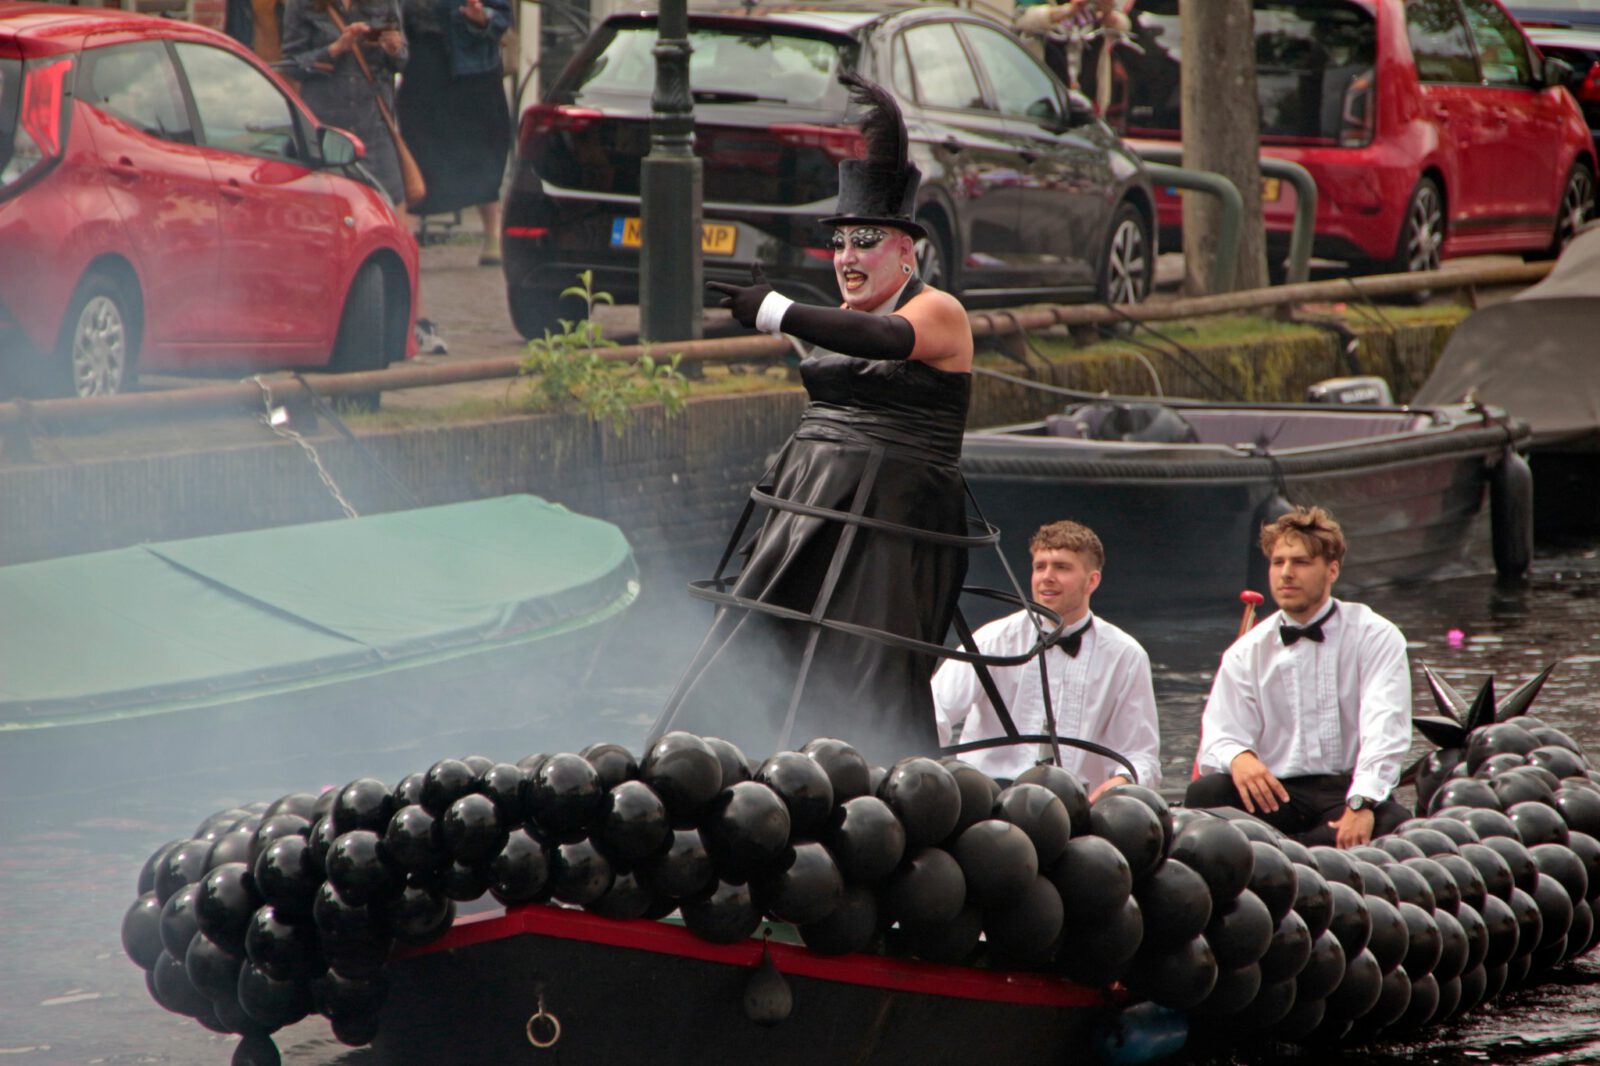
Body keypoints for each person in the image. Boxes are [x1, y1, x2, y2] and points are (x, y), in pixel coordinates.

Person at [645, 73, 975, 766]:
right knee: (754, 645)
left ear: (907, 250)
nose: (848, 259)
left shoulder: (937, 310)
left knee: (863, 672)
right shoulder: (845, 317)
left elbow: (887, 344)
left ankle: (880, 789)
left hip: (891, 518)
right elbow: (850, 337)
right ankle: (712, 771)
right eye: (840, 245)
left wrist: (775, 310)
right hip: (807, 504)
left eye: (865, 242)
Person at [1187, 506, 1412, 848]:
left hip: (1346, 791)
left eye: (1301, 562)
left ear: (1332, 570)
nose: (1286, 573)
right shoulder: (1245, 652)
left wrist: (1362, 802)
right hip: (1275, 794)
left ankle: (1283, 850)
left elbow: (1386, 728)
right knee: (1206, 793)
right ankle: (1298, 847)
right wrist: (1239, 758)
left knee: (1393, 824)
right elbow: (1219, 736)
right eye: (1278, 562)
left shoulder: (1376, 635)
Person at [932, 520, 1160, 798]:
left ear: (1092, 581)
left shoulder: (1126, 656)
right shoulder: (991, 640)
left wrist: (1120, 783)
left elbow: (1141, 755)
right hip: (990, 798)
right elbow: (933, 713)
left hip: (1081, 802)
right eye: (1040, 566)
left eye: (1061, 567)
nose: (1046, 577)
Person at [396, 0, 513, 269]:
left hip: (473, 72)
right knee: (417, 148)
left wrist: (482, 19)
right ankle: (406, 239)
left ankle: (492, 235)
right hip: (422, 66)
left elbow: (502, 16)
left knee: (483, 151)